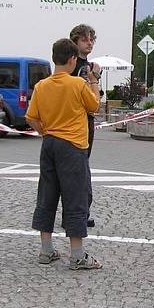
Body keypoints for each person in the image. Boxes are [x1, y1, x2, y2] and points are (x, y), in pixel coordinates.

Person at [26, 38, 101, 270]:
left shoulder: (41, 86)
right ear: (72, 60)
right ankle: (77, 255)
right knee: (75, 197)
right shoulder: (77, 84)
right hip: (73, 146)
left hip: (49, 144)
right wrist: (94, 80)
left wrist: (45, 132)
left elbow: (30, 117)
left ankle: (46, 250)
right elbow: (94, 105)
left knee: (47, 193)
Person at [69, 24, 101, 228]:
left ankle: (80, 211)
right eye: (85, 40)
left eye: (92, 40)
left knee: (83, 168)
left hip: (86, 121)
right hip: (75, 122)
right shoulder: (72, 67)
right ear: (75, 42)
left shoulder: (89, 66)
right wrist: (93, 80)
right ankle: (75, 214)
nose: (89, 43)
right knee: (77, 170)